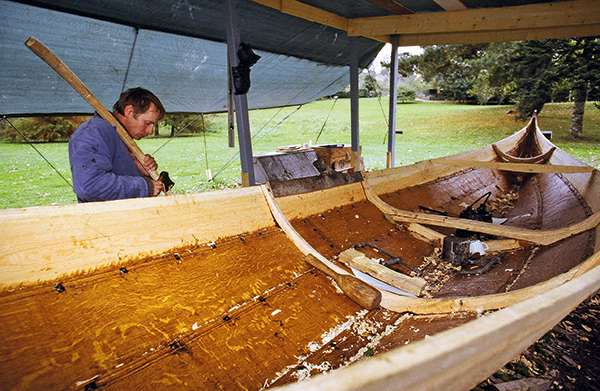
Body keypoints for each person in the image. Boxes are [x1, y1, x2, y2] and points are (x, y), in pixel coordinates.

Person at [69, 87, 166, 203]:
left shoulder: (119, 135)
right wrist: (145, 187)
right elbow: (90, 186)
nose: (150, 131)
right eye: (147, 123)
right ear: (129, 111)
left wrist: (138, 171)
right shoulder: (94, 131)